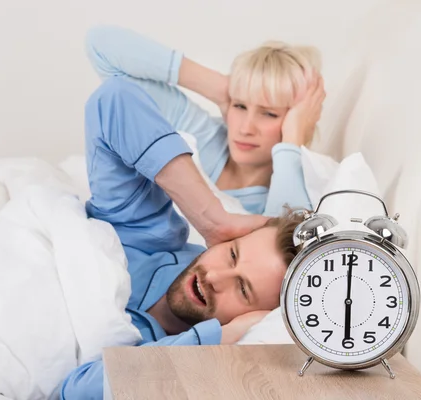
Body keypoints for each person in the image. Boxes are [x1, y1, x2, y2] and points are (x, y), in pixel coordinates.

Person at [58, 72, 307, 399]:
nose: (216, 276)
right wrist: (211, 218)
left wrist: (220, 338)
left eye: (243, 289)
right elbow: (114, 98)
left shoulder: (178, 360)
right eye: (232, 253)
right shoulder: (147, 233)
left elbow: (73, 393)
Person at [84, 25, 325, 217]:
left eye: (269, 113)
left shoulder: (292, 188)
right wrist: (219, 87)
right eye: (240, 106)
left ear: (299, 120)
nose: (245, 128)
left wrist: (293, 141)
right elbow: (100, 46)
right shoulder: (207, 139)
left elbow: (285, 240)